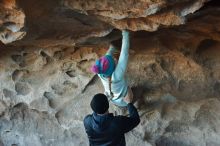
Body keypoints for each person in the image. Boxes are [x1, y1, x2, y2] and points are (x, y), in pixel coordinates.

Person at [91, 30, 131, 107]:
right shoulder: (117, 76)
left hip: (114, 99)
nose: (114, 59)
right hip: (124, 100)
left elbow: (106, 60)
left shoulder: (100, 73)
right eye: (113, 59)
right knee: (130, 93)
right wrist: (125, 34)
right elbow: (124, 54)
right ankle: (129, 104)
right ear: (112, 68)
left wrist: (112, 48)